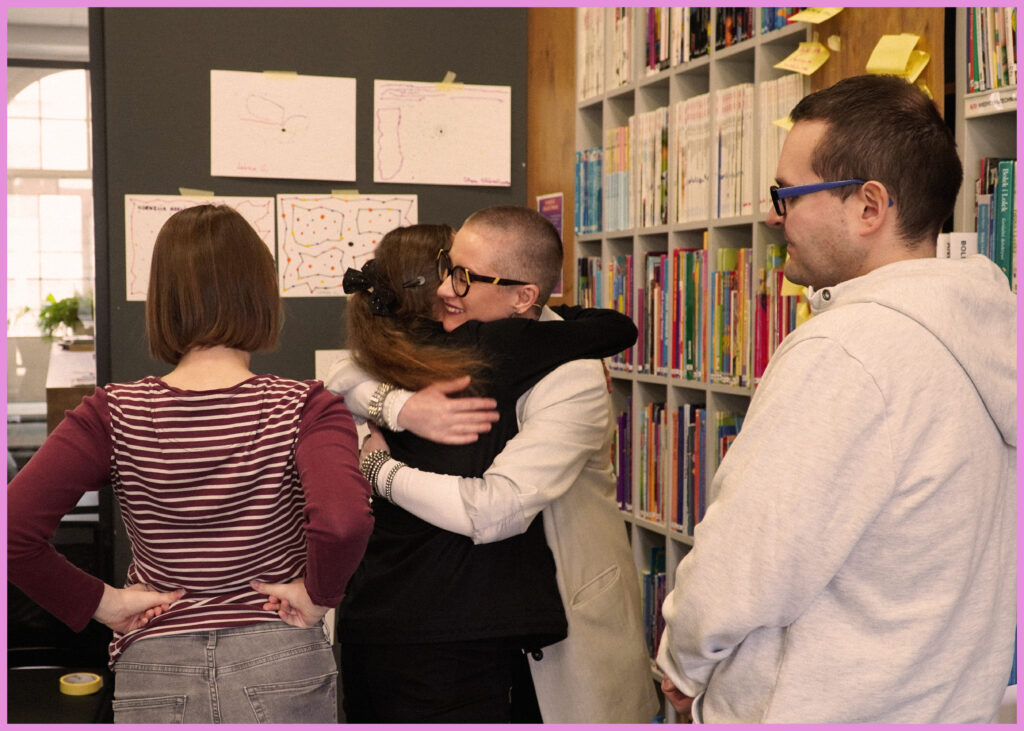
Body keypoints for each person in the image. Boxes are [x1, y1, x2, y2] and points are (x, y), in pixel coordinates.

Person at [654, 74, 1017, 723]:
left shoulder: (848, 351)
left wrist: (681, 664)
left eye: (786, 194)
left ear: (869, 207)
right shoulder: (985, 333)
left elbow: (743, 564)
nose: (773, 215)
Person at [7, 204, 374, 724]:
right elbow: (343, 521)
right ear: (262, 295)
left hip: (156, 664)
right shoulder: (306, 407)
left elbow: (11, 529)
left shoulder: (114, 412)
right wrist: (320, 594)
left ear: (163, 301)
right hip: (279, 657)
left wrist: (103, 603)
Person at [327, 209, 659, 723]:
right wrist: (397, 407)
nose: (445, 288)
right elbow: (342, 372)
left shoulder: (569, 372)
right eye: (446, 267)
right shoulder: (438, 346)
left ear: (523, 297)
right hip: (466, 622)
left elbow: (494, 509)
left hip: (558, 619)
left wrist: (378, 469)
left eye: (463, 276)